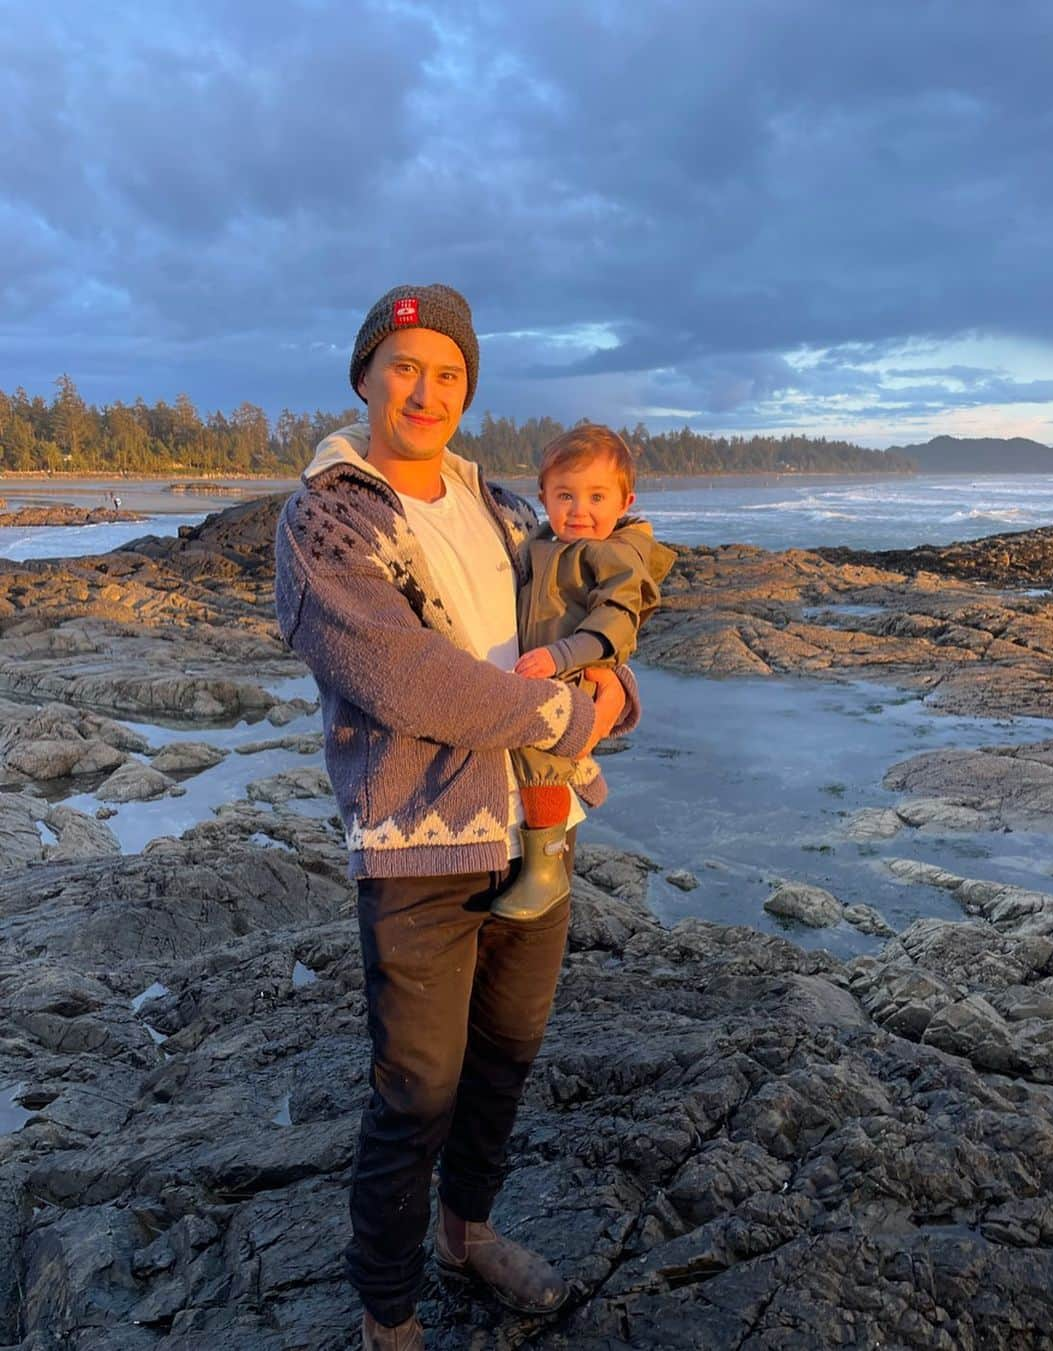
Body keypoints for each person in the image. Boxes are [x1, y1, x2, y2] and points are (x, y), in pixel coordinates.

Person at [274, 284, 635, 1351]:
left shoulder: (510, 512)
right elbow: (406, 677)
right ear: (365, 376)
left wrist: (614, 694)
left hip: (540, 832)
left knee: (504, 1059)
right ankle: (389, 1311)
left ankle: (466, 1233)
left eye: (448, 373)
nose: (426, 390)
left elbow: (586, 628)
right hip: (418, 848)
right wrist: (567, 710)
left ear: (467, 388)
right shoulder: (329, 515)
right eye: (405, 366)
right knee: (416, 1090)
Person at [494, 425, 675, 919]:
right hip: (543, 663)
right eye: (565, 495)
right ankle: (583, 778)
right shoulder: (542, 540)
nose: (579, 510)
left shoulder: (613, 553)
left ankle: (546, 870)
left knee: (541, 761)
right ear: (543, 497)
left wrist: (562, 658)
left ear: (625, 500)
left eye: (597, 496)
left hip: (570, 670)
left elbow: (617, 620)